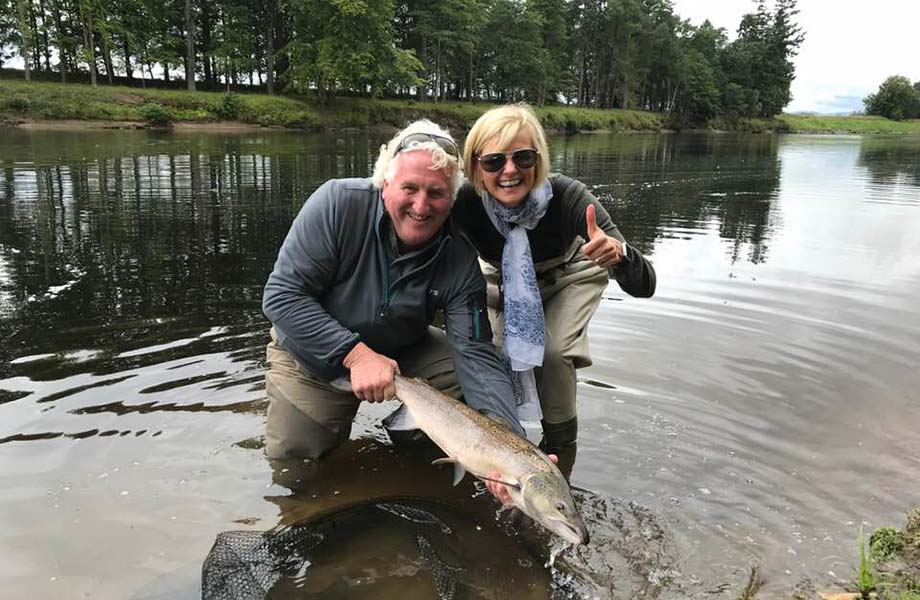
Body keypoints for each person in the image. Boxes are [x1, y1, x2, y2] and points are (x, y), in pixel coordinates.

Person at [262, 119, 524, 462]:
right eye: (409, 188)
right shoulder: (337, 204)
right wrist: (356, 355)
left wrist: (513, 449)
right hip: (312, 354)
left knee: (465, 389)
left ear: (451, 197)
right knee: (293, 465)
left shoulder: (458, 254)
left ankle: (410, 451)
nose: (420, 206)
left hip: (403, 350)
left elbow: (475, 354)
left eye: (436, 193)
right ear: (385, 182)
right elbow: (282, 296)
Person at [453, 104, 657, 479]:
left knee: (553, 351)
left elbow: (645, 285)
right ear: (475, 166)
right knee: (492, 352)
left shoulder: (569, 196)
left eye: (523, 157)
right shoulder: (464, 203)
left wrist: (620, 255)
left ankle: (561, 457)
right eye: (494, 161)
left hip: (569, 274)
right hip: (503, 278)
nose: (510, 171)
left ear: (540, 158)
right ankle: (501, 450)